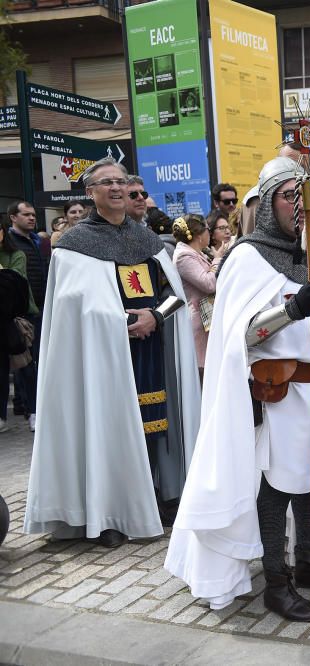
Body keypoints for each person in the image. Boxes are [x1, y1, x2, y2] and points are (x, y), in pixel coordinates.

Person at [166, 156, 310, 621]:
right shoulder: (246, 256)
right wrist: (292, 311)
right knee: (277, 487)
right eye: (289, 196)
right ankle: (276, 584)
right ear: (265, 204)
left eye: (307, 198)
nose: (300, 206)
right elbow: (239, 334)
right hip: (276, 393)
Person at [24, 156, 201, 548]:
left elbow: (173, 293)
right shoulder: (73, 246)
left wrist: (155, 315)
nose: (118, 188)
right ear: (91, 193)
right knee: (108, 428)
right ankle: (109, 511)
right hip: (102, 357)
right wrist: (118, 320)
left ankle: (154, 497)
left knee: (155, 426)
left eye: (122, 181)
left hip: (150, 350)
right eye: (107, 183)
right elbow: (73, 310)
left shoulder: (150, 241)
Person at [6, 201, 47, 432]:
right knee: (26, 364)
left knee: (38, 362)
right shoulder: (9, 243)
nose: (32, 218)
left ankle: (36, 407)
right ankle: (32, 410)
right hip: (22, 313)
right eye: (26, 215)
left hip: (40, 309)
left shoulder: (37, 241)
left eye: (33, 215)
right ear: (13, 217)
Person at [171, 214, 220, 371]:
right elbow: (209, 284)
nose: (210, 233)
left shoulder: (196, 252)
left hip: (207, 320)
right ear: (199, 234)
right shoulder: (184, 256)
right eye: (208, 229)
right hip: (199, 322)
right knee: (203, 374)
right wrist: (218, 260)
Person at [0, 222, 36, 433]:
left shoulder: (16, 255)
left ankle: (34, 411)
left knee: (26, 365)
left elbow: (14, 283)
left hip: (15, 317)